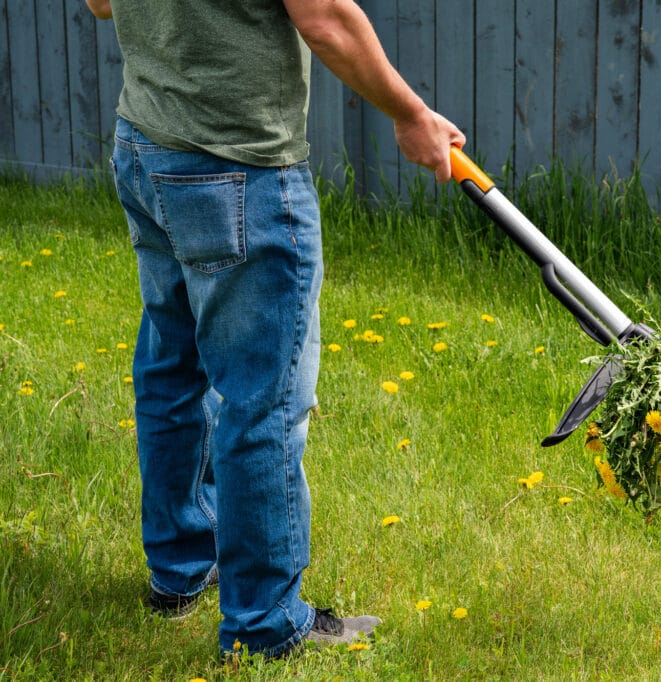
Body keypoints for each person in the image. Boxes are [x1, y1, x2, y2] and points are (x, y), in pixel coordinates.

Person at [83, 0, 465, 658]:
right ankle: (266, 625)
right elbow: (325, 16)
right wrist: (411, 116)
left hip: (146, 146)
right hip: (236, 167)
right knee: (263, 399)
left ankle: (178, 572)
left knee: (172, 369)